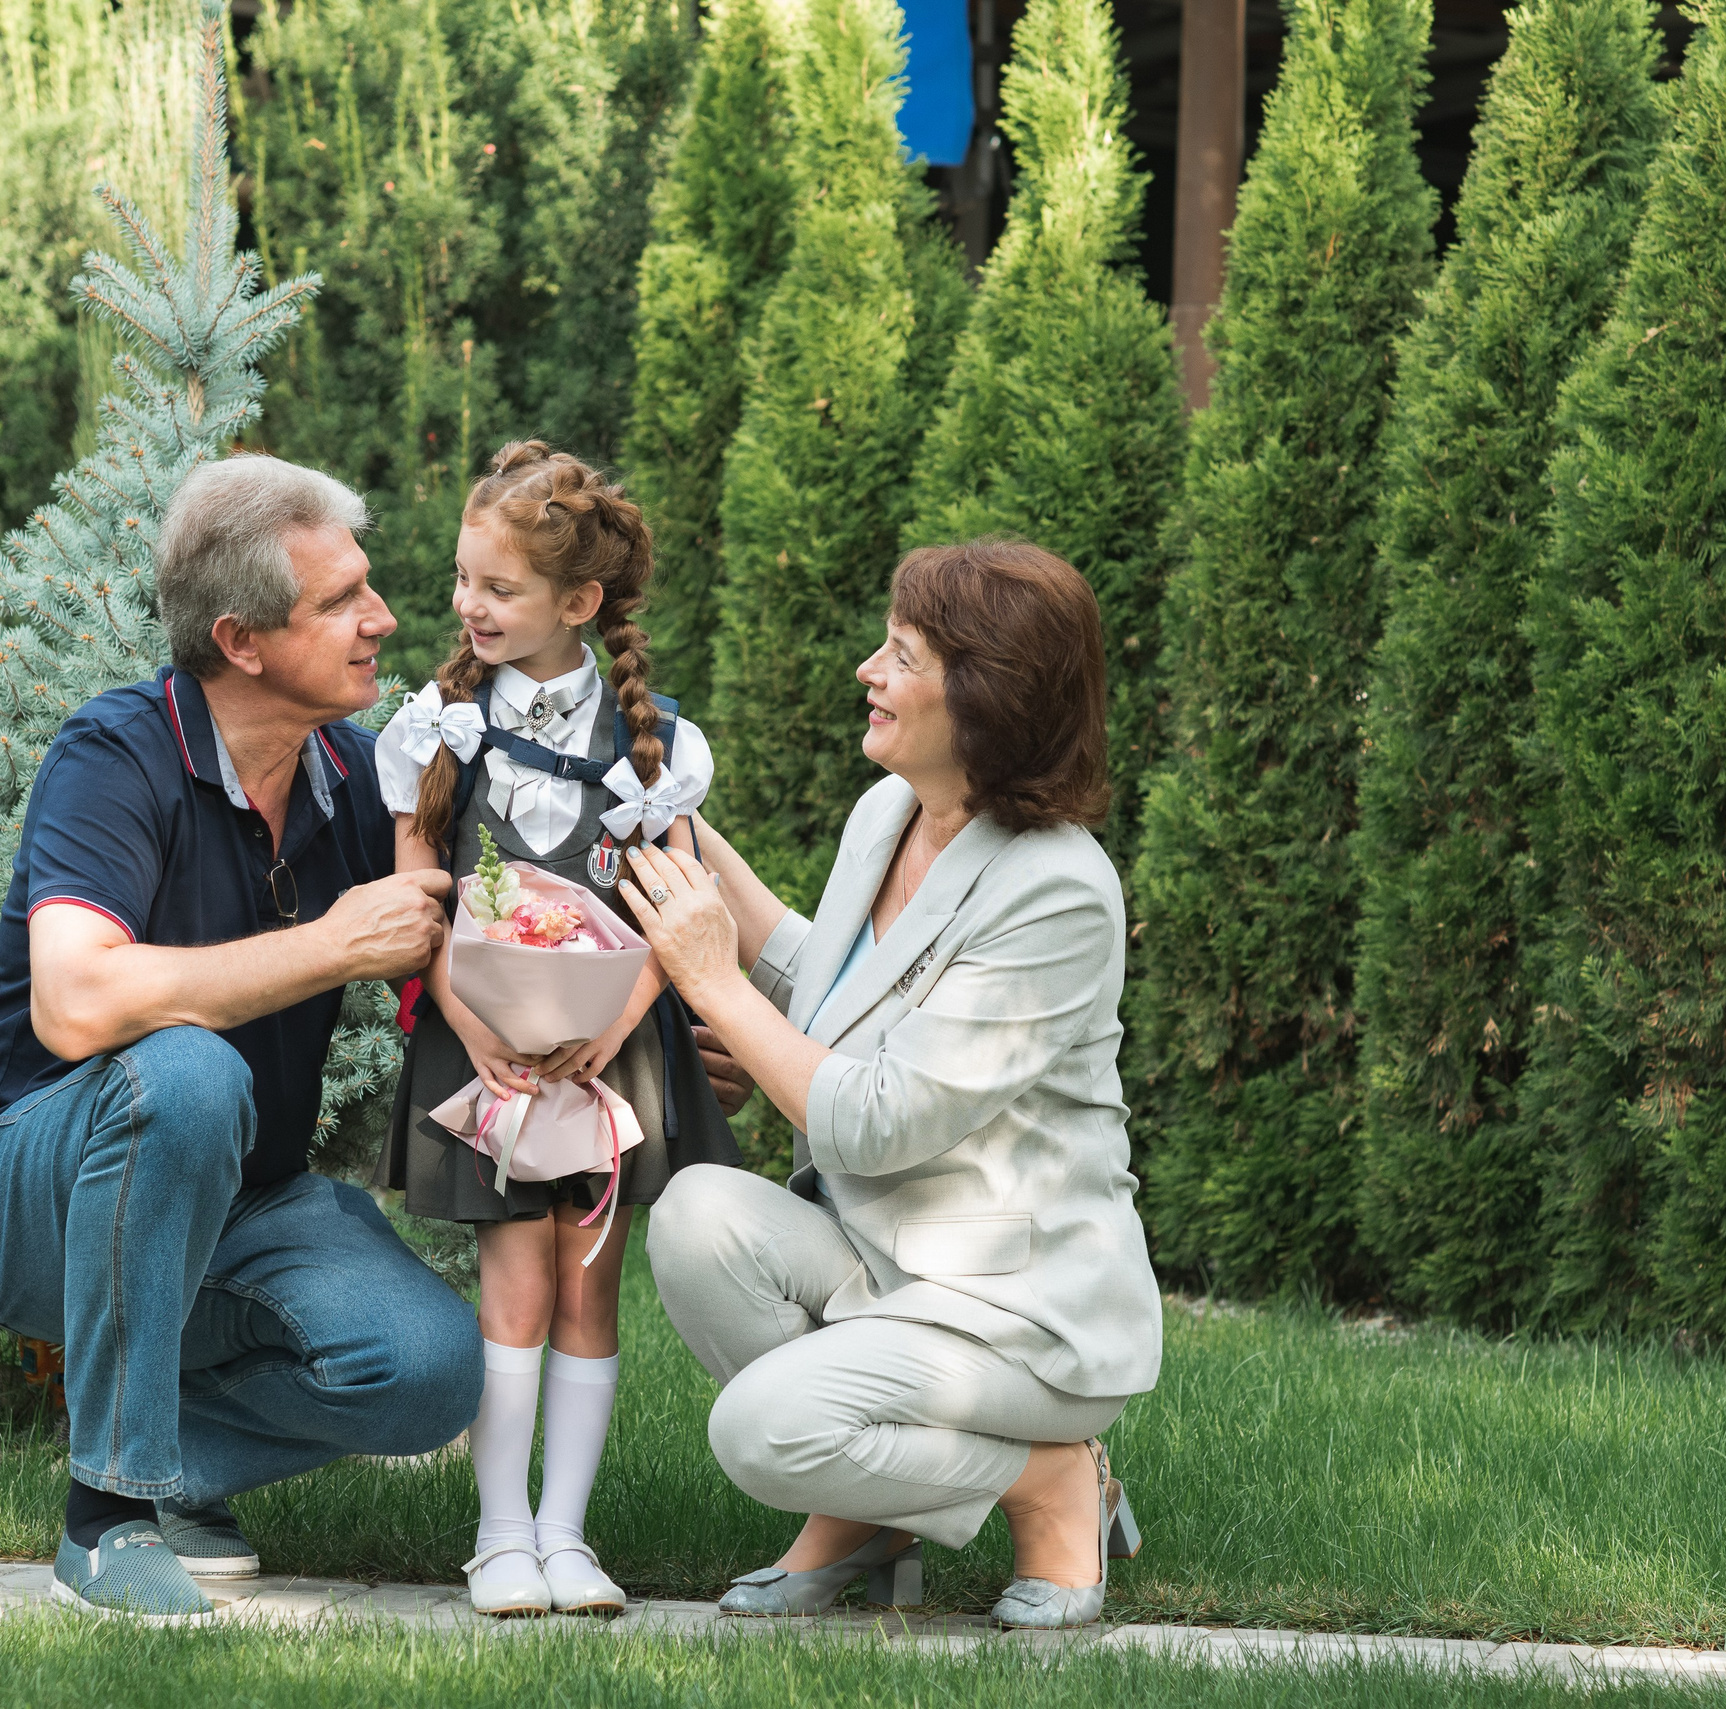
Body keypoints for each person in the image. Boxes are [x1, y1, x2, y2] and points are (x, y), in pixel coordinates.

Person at [0, 454, 486, 1623]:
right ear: (243, 639)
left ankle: (171, 1465)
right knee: (183, 1068)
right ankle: (107, 1515)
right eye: (340, 602)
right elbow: (75, 1003)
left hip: (236, 1201)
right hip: (16, 1190)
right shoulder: (115, 754)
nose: (383, 621)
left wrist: (664, 1036)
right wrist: (329, 942)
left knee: (428, 1368)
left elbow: (495, 943)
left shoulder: (356, 779)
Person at [622, 536, 1164, 1629]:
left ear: (985, 699)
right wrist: (660, 811)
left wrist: (716, 988)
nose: (868, 670)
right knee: (694, 1216)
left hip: (1018, 1310)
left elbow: (875, 1119)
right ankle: (869, 1515)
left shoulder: (1058, 889)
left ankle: (1051, 1479)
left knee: (760, 1430)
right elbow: (827, 976)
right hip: (888, 1261)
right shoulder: (891, 814)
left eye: (901, 656)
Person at [375, 441, 742, 1618]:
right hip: (476, 1033)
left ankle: (566, 1534)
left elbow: (679, 905)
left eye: (499, 588)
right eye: (463, 580)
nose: (468, 607)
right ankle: (497, 1537)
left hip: (608, 1044)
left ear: (577, 602)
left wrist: (618, 1013)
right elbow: (417, 889)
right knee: (513, 1278)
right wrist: (466, 1010)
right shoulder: (437, 726)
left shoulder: (658, 746)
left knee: (590, 1284)